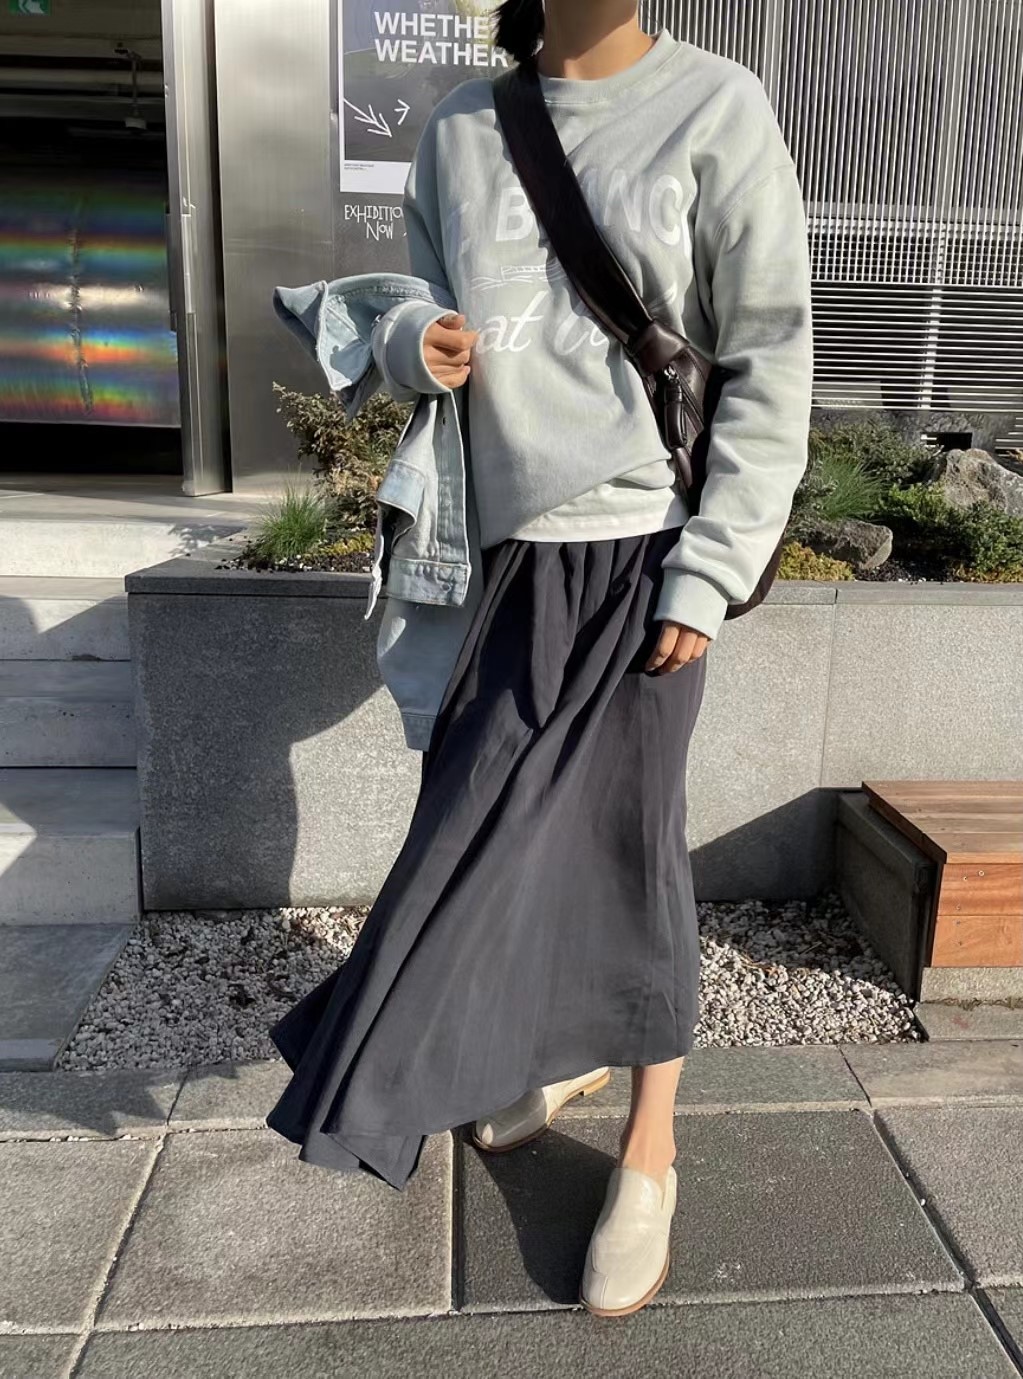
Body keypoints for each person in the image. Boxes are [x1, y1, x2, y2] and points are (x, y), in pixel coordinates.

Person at [267, 0, 814, 1318]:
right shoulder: (463, 127)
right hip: (502, 555)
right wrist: (410, 343)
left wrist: (712, 567)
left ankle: (651, 1147)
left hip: (645, 554)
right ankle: (552, 1051)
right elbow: (418, 300)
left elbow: (770, 356)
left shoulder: (717, 107)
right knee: (472, 835)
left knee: (629, 844)